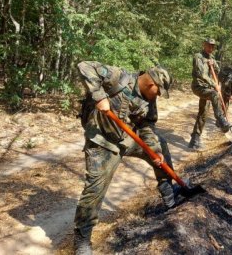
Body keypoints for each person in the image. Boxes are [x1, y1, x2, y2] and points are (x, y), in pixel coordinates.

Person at [74, 61, 176, 255]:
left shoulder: (149, 101)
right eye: (159, 91)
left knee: (161, 145)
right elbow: (84, 66)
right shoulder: (118, 77)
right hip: (102, 142)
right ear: (151, 84)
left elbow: (147, 127)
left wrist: (154, 151)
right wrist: (99, 96)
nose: (159, 96)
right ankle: (82, 240)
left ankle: (167, 192)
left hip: (127, 139)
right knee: (94, 188)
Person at [188, 38, 232, 150]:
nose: (211, 48)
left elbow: (218, 71)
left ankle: (195, 139)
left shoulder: (211, 58)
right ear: (204, 45)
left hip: (207, 88)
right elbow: (201, 74)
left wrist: (214, 65)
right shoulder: (198, 56)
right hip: (199, 87)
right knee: (214, 94)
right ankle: (220, 119)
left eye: (213, 46)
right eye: (209, 45)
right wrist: (214, 84)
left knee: (203, 113)